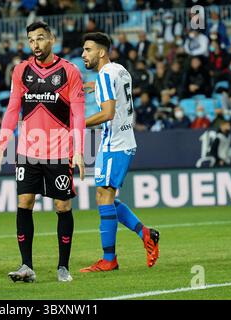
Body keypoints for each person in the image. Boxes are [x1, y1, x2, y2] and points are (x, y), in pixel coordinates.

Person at [0, 21, 85, 283]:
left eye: (40, 38)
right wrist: (0, 146)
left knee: (62, 206)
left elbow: (78, 114)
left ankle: (63, 267)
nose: (35, 44)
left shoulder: (70, 72)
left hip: (60, 150)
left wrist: (79, 150)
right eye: (31, 40)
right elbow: (11, 110)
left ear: (52, 39)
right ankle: (26, 265)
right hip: (28, 151)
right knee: (24, 202)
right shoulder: (21, 71)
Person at [79, 32, 159, 273]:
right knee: (105, 198)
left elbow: (107, 113)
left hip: (115, 143)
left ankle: (109, 259)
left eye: (88, 50)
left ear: (101, 52)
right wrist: (95, 86)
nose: (83, 55)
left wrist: (78, 125)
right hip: (120, 140)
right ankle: (145, 233)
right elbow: (118, 93)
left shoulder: (105, 75)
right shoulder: (120, 70)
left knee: (104, 198)